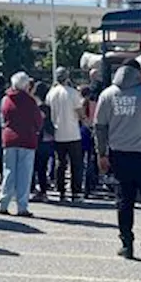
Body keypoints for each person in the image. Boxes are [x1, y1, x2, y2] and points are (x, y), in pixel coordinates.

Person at [95, 61, 141, 262]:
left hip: (119, 155)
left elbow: (100, 127)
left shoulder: (107, 95)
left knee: (124, 200)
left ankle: (127, 243)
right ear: (138, 74)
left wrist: (101, 153)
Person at [0, 72, 41, 217]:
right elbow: (38, 120)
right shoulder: (30, 101)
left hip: (9, 138)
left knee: (9, 172)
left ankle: (3, 203)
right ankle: (22, 206)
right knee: (24, 174)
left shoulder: (5, 99)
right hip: (27, 139)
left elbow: (3, 118)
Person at [45, 67, 85, 203]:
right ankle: (76, 192)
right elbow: (80, 113)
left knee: (60, 163)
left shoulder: (51, 93)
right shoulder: (73, 93)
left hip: (57, 133)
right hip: (73, 133)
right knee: (76, 164)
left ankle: (61, 191)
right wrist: (84, 119)